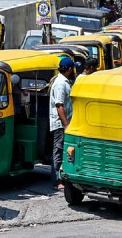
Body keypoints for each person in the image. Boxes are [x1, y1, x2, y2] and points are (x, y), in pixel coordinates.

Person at [49, 56, 75, 191]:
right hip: (60, 124)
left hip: (64, 122)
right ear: (69, 69)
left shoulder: (64, 81)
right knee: (58, 150)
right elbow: (59, 105)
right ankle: (56, 180)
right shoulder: (60, 83)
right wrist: (66, 125)